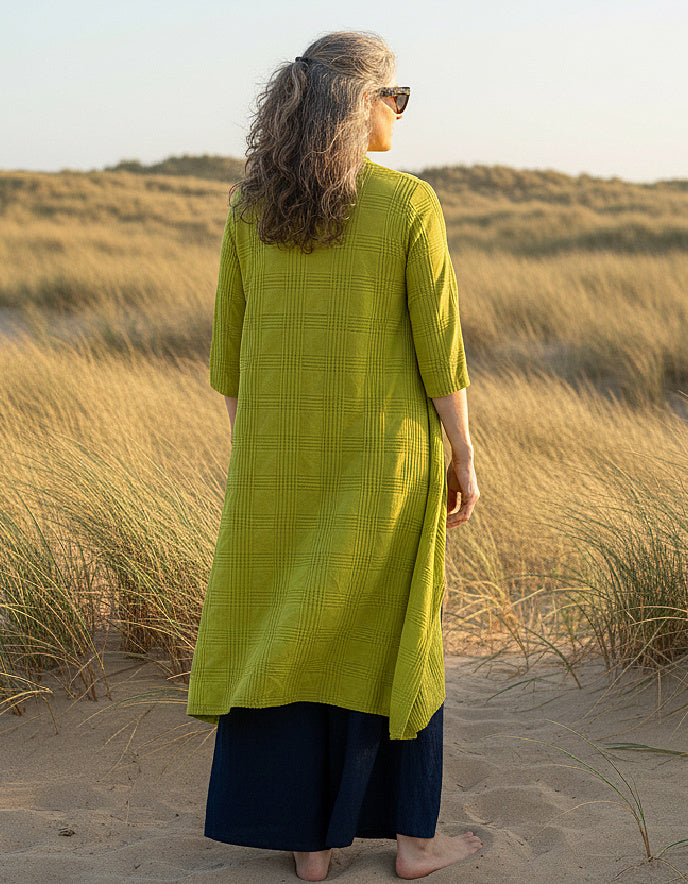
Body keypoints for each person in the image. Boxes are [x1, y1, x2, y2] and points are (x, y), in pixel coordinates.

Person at [186, 30, 482, 881]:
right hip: (386, 465)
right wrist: (464, 454)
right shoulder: (408, 205)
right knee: (392, 635)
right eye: (398, 96)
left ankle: (309, 846)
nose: (401, 111)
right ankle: (414, 845)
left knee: (287, 630)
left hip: (275, 466)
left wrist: (260, 455)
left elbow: (229, 361)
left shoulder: (250, 209)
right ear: (362, 103)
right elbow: (441, 354)